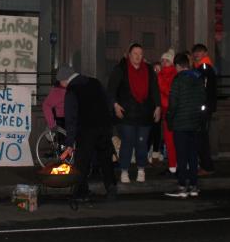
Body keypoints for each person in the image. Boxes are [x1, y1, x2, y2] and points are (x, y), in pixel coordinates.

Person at [57, 65, 116, 201]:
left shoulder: (72, 90)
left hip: (86, 130)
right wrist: (109, 125)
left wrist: (69, 143)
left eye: (60, 82)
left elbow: (71, 119)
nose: (61, 85)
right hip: (103, 127)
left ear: (64, 80)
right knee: (106, 159)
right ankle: (111, 188)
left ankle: (81, 193)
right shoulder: (95, 82)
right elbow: (108, 102)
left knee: (82, 162)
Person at [107, 43, 160, 184]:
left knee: (142, 143)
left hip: (144, 114)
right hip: (126, 114)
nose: (138, 56)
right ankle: (124, 170)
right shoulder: (120, 69)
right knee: (127, 142)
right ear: (129, 55)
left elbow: (155, 89)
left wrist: (158, 106)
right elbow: (111, 89)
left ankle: (141, 169)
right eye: (135, 53)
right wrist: (115, 105)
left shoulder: (148, 69)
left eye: (140, 54)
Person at [164, 53, 206, 198]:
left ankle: (182, 186)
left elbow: (173, 103)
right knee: (193, 156)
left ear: (177, 66)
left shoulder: (178, 80)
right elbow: (203, 100)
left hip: (180, 124)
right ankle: (194, 186)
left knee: (181, 156)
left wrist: (169, 120)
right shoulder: (198, 78)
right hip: (195, 124)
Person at [192, 43, 217, 176]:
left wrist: (200, 105)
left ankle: (206, 166)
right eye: (195, 52)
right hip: (205, 107)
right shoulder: (202, 67)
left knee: (201, 137)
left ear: (205, 53)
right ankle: (206, 165)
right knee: (202, 137)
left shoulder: (204, 68)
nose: (197, 54)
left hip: (203, 108)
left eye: (200, 51)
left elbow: (203, 90)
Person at [157, 49, 178, 175]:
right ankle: (172, 165)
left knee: (173, 140)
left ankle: (175, 165)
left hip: (172, 111)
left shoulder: (174, 74)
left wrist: (159, 78)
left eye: (167, 60)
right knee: (168, 140)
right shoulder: (160, 74)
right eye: (163, 60)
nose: (164, 63)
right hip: (165, 111)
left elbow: (169, 91)